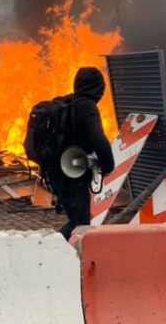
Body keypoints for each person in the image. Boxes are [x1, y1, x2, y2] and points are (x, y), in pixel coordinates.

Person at [50, 67, 115, 240]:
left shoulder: (67, 103)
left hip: (58, 172)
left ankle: (54, 249)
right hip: (73, 176)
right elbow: (98, 139)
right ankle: (50, 249)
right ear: (97, 88)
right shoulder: (87, 106)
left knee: (77, 220)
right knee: (81, 224)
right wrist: (109, 165)